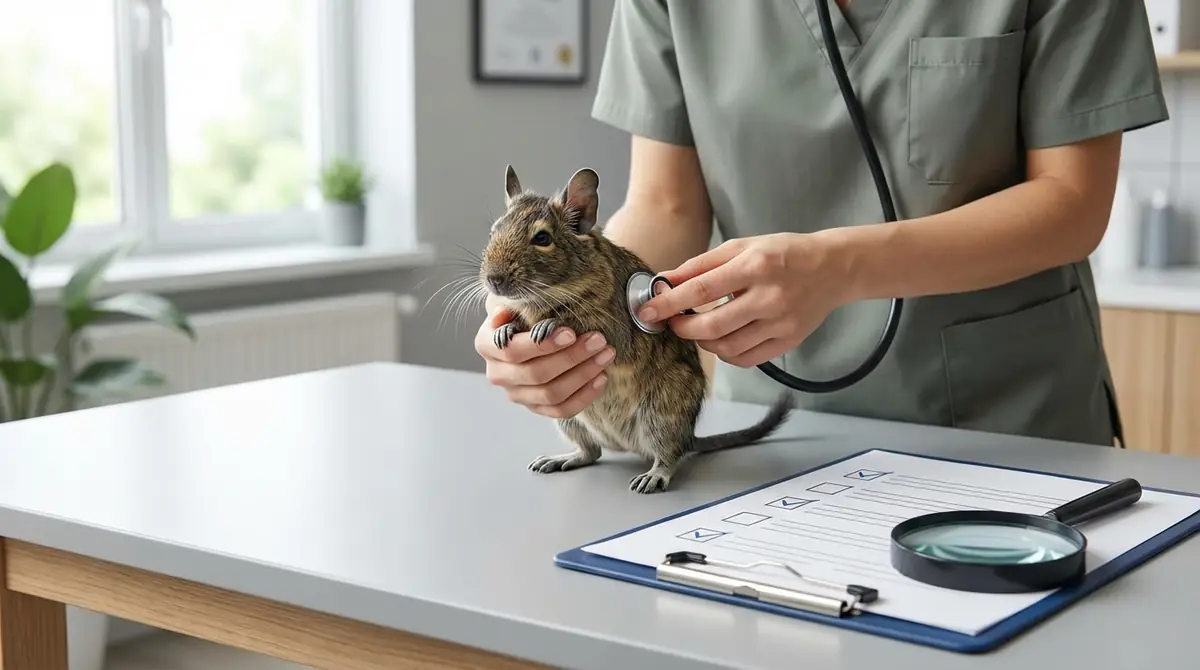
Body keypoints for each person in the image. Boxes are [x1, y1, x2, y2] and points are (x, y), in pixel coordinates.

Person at [474, 0, 1168, 447]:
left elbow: (1071, 203)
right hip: (775, 430)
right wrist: (562, 313)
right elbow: (668, 207)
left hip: (1008, 424)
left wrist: (840, 267)